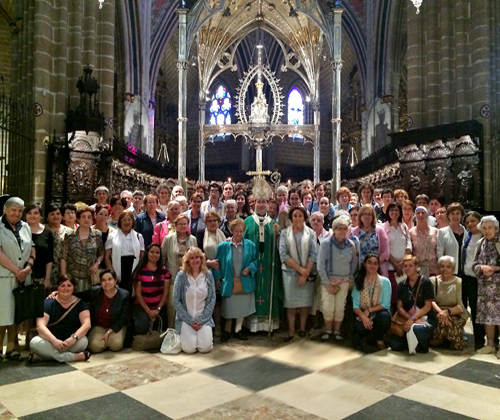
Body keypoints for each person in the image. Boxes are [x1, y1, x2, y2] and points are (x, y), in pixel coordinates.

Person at [244, 179, 282, 332]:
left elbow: (277, 245)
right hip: (252, 265)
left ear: (267, 204)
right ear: (254, 203)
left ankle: (267, 325)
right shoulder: (247, 222)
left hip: (268, 265)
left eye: (263, 202)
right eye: (258, 202)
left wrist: (277, 234)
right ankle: (251, 326)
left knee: (267, 291)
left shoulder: (273, 223)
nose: (260, 205)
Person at [0, 197, 35, 361]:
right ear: (5, 210)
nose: (17, 213)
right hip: (5, 277)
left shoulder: (26, 227)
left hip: (22, 277)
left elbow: (32, 248)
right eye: (13, 210)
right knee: (2, 315)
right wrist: (16, 270)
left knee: (15, 314)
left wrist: (28, 267)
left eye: (20, 210)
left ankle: (12, 348)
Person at [29, 275, 91, 363]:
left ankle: (45, 357)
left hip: (71, 341)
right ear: (57, 287)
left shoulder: (81, 304)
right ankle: (74, 357)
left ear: (74, 288)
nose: (66, 288)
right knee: (34, 342)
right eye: (62, 286)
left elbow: (86, 324)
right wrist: (54, 341)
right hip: (50, 341)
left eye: (69, 286)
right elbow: (40, 326)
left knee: (83, 341)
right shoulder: (48, 303)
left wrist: (72, 339)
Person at [214, 219, 258, 342]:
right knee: (229, 307)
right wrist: (217, 277)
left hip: (244, 281)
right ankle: (227, 330)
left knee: (242, 306)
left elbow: (255, 261)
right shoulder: (223, 246)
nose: (239, 234)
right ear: (232, 231)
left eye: (241, 231)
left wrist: (250, 268)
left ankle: (238, 329)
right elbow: (217, 263)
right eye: (237, 231)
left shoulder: (250, 245)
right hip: (229, 281)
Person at [279, 207, 317, 341]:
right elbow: (283, 254)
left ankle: (302, 328)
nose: (297, 218)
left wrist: (306, 272)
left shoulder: (311, 233)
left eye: (300, 216)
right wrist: (301, 270)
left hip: (307, 272)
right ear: (291, 218)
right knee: (291, 304)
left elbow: (313, 253)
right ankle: (291, 331)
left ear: (304, 218)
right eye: (295, 216)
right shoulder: (284, 233)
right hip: (290, 273)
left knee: (304, 303)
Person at [317, 216, 358, 341]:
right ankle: (328, 330)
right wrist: (326, 283)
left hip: (344, 281)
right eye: (338, 228)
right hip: (328, 281)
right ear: (333, 229)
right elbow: (320, 265)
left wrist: (350, 279)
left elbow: (354, 263)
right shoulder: (325, 244)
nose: (341, 231)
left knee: (340, 307)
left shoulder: (351, 245)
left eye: (344, 228)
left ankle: (337, 331)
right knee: (328, 307)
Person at [390, 254, 436, 354]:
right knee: (395, 346)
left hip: (425, 317)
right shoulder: (402, 285)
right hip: (407, 318)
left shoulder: (426, 282)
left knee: (418, 329)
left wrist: (413, 319)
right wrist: (409, 318)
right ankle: (411, 341)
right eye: (405, 266)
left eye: (410, 265)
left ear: (416, 267)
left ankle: (423, 345)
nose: (408, 268)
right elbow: (399, 306)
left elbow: (428, 306)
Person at [173, 247, 216, 353]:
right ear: (187, 261)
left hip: (204, 319)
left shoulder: (208, 275)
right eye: (192, 258)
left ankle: (199, 337)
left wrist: (201, 320)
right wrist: (190, 321)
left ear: (202, 259)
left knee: (206, 348)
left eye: (197, 257)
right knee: (189, 349)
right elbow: (176, 300)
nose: (195, 260)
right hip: (186, 319)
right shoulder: (181, 276)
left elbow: (212, 299)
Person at [161, 214, 198, 328]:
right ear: (175, 225)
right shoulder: (168, 239)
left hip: (189, 278)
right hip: (173, 277)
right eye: (180, 224)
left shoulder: (193, 239)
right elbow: (162, 258)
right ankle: (172, 331)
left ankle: (185, 331)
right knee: (172, 306)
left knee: (188, 305)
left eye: (185, 224)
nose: (183, 226)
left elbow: (197, 258)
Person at [81, 269, 130, 353]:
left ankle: (109, 340)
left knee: (116, 345)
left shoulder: (124, 295)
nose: (107, 282)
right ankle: (105, 342)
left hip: (116, 326)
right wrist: (57, 293)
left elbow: (124, 317)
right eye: (103, 280)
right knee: (94, 347)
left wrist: (109, 331)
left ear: (115, 281)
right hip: (99, 325)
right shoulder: (95, 291)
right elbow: (78, 296)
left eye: (110, 279)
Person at [352, 255, 392, 352]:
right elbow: (355, 306)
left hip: (378, 313)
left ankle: (379, 339)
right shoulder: (359, 280)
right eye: (369, 262)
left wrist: (369, 311)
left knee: (385, 316)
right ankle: (366, 339)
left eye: (375, 263)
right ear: (365, 264)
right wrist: (364, 317)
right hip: (362, 313)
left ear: (378, 266)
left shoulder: (385, 282)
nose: (372, 266)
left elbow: (386, 304)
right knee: (359, 326)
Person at [473, 216, 500, 357]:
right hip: (484, 287)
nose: (487, 230)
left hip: (498, 287)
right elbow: (474, 264)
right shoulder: (480, 243)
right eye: (484, 228)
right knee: (487, 315)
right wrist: (482, 267)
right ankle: (489, 344)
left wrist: (495, 268)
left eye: (490, 228)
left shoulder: (499, 243)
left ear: (496, 228)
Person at [61, 205, 104, 292]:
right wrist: (64, 277)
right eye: (83, 217)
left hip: (91, 279)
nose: (86, 219)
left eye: (89, 217)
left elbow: (101, 253)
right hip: (73, 277)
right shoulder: (70, 235)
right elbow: (64, 258)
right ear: (78, 219)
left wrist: (97, 264)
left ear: (92, 220)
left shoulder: (97, 235)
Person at [429, 256, 468, 350]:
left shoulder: (458, 282)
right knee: (435, 341)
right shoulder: (433, 281)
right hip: (438, 312)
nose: (445, 269)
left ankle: (450, 337)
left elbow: (460, 306)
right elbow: (431, 301)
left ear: (453, 269)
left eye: (448, 267)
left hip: (454, 312)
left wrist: (447, 311)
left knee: (455, 342)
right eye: (442, 266)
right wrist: (441, 312)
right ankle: (443, 338)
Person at [132, 244, 170, 335]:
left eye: (157, 253)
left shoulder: (164, 271)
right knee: (141, 327)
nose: (155, 255)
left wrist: (158, 310)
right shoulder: (140, 271)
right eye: (152, 252)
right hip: (142, 306)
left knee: (161, 330)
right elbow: (138, 295)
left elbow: (165, 292)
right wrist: (148, 311)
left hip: (158, 306)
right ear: (147, 253)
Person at [105, 211, 145, 293]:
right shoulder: (112, 236)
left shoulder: (138, 236)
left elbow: (142, 256)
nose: (127, 222)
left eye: (129, 219)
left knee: (131, 293)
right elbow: (107, 258)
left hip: (134, 268)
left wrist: (138, 272)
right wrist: (112, 273)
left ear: (133, 221)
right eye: (124, 220)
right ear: (120, 221)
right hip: (118, 267)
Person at [461, 211, 484, 350]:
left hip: (482, 279)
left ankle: (492, 340)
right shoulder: (468, 236)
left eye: (473, 221)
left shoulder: (485, 236)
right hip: (468, 277)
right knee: (474, 310)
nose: (470, 224)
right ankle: (479, 340)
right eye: (468, 222)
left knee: (483, 310)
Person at [382, 202, 412, 308]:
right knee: (392, 293)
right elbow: (384, 247)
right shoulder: (383, 227)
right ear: (387, 212)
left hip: (404, 266)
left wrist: (403, 262)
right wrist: (395, 263)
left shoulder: (403, 226)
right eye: (391, 210)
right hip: (390, 266)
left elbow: (409, 243)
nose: (394, 212)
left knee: (403, 293)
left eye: (396, 210)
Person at [351, 205, 390, 277]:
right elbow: (351, 252)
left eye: (369, 214)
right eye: (364, 214)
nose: (367, 216)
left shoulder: (380, 230)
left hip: (377, 270)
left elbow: (386, 252)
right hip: (360, 270)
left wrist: (373, 264)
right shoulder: (354, 232)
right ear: (360, 216)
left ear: (373, 216)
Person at [25, 203, 53, 290]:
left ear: (41, 215)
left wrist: (47, 279)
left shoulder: (47, 232)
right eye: (29, 213)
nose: (32, 215)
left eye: (36, 213)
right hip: (22, 276)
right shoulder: (20, 230)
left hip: (40, 278)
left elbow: (49, 258)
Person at [46, 203, 74, 288]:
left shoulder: (69, 231)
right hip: (46, 269)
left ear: (62, 216)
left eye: (58, 214)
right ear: (47, 217)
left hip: (64, 269)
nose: (55, 216)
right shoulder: (42, 230)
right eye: (52, 214)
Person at [437, 203, 466, 275]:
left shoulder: (467, 232)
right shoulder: (442, 232)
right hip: (450, 272)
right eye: (452, 213)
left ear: (461, 215)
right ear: (448, 215)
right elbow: (439, 254)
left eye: (457, 213)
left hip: (466, 272)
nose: (455, 216)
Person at [409, 206, 439, 277]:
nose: (420, 215)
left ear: (427, 215)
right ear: (415, 216)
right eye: (418, 213)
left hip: (433, 270)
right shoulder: (411, 232)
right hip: (418, 271)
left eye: (423, 213)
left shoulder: (436, 231)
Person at [92, 204, 115, 269]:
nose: (103, 217)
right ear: (95, 215)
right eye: (100, 214)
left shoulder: (113, 232)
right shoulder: (90, 230)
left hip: (109, 266)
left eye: (106, 215)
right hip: (93, 267)